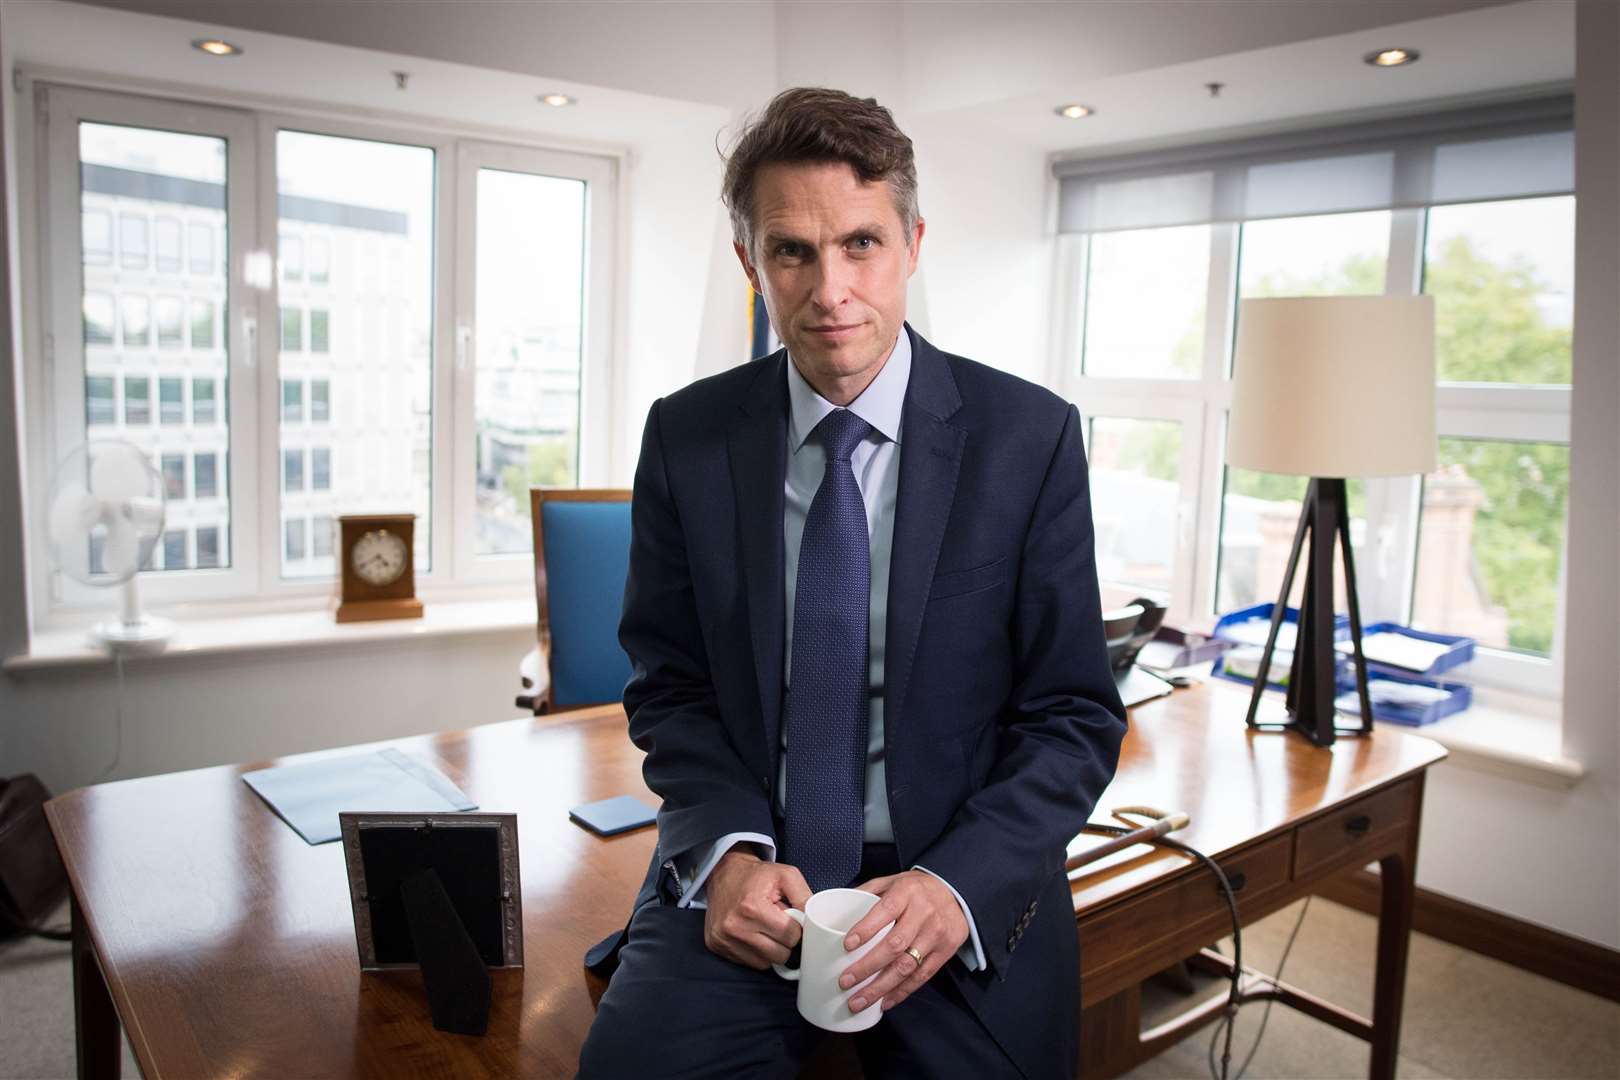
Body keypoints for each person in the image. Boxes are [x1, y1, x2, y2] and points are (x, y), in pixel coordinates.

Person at [579, 86, 1127, 1079]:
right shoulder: (686, 437)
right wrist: (727, 851)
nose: (829, 289)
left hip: (949, 886)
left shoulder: (1030, 441)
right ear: (751, 262)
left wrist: (956, 884)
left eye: (861, 244)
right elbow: (672, 687)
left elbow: (1073, 716)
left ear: (913, 242)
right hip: (751, 879)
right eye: (792, 250)